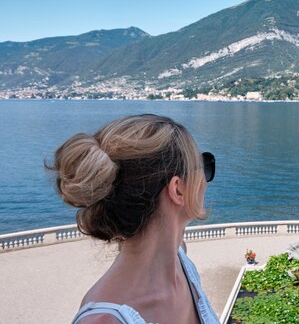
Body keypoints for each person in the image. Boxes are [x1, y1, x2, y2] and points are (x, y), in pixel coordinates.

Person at [50, 114, 220, 324]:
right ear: (178, 189)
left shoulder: (181, 263)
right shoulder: (103, 321)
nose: (205, 179)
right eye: (202, 166)